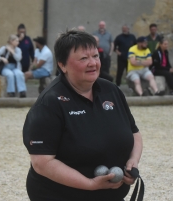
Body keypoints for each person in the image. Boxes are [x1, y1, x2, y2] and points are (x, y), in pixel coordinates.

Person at [23, 30, 143, 201]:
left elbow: (134, 133)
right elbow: (42, 163)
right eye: (83, 58)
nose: (93, 63)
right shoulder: (49, 103)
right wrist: (90, 184)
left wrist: (133, 161)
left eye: (95, 56)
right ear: (62, 65)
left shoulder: (112, 91)